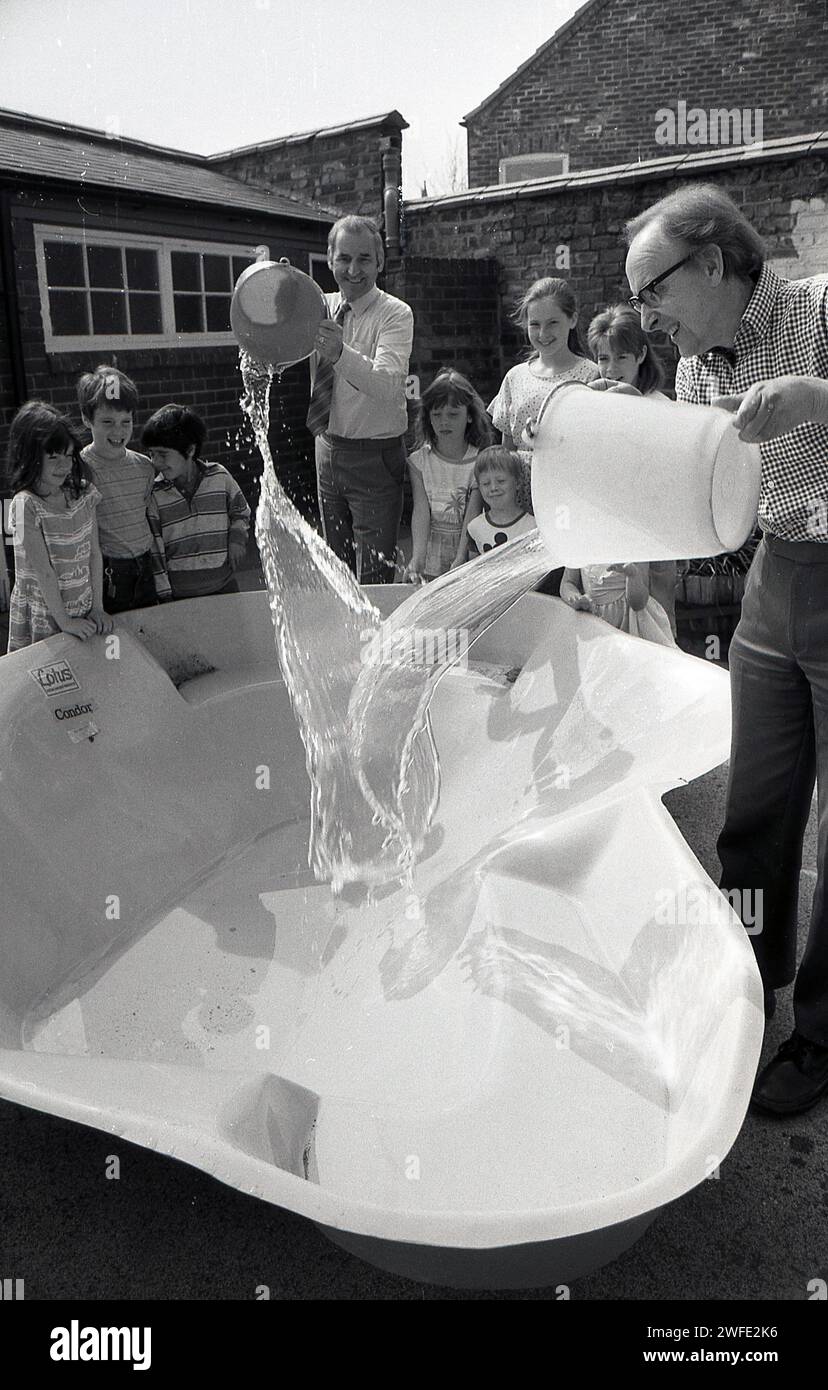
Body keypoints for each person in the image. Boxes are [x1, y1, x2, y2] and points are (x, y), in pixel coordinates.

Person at [625, 180, 828, 1116]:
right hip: (773, 586)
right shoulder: (701, 365)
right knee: (751, 815)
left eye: (653, 289)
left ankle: (821, 1036)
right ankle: (742, 992)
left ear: (711, 261)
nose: (645, 314)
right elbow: (692, 494)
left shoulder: (822, 310)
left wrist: (819, 399)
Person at [308, 214, 413, 584]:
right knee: (336, 572)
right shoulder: (316, 306)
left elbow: (387, 383)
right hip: (326, 450)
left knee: (374, 579)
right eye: (344, 258)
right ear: (329, 259)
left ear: (380, 262)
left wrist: (339, 352)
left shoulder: (395, 314)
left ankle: (378, 643)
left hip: (375, 457)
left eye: (364, 259)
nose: (353, 269)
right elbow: (275, 346)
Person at [586, 304, 678, 634]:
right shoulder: (593, 405)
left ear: (640, 355)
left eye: (621, 357)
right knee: (613, 609)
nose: (611, 368)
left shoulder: (659, 407)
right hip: (609, 524)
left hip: (653, 526)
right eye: (603, 359)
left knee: (656, 613)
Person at [5, 401, 113, 652]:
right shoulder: (24, 505)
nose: (64, 465)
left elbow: (94, 554)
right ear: (28, 456)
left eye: (67, 455)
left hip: (84, 608)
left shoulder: (85, 494)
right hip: (47, 614)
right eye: (53, 457)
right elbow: (44, 572)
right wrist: (65, 622)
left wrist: (98, 608)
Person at [488, 276, 600, 509]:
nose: (543, 333)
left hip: (569, 493)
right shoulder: (515, 377)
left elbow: (595, 450)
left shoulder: (592, 376)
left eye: (552, 323)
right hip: (520, 497)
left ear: (572, 319)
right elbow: (506, 451)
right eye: (535, 324)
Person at [143, 405, 250, 601]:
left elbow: (241, 511)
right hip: (181, 597)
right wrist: (165, 597)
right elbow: (155, 550)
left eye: (163, 454)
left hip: (224, 587)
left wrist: (237, 540)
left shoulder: (220, 476)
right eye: (151, 453)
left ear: (190, 449)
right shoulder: (155, 494)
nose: (155, 462)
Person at [77, 364, 161, 613]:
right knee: (115, 639)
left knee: (148, 630)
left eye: (126, 421)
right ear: (86, 419)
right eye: (107, 421)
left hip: (145, 564)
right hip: (109, 571)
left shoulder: (144, 467)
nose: (118, 430)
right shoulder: (81, 469)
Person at [403, 369, 492, 582]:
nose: (444, 422)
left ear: (469, 415)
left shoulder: (478, 461)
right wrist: (418, 557)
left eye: (453, 414)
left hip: (466, 548)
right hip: (432, 549)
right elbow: (421, 510)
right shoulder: (420, 461)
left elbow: (473, 514)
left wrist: (461, 556)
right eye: (437, 415)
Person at [466, 447, 536, 557]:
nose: (493, 488)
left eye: (501, 481)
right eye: (486, 483)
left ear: (517, 482)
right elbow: (473, 570)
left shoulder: (532, 527)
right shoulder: (475, 528)